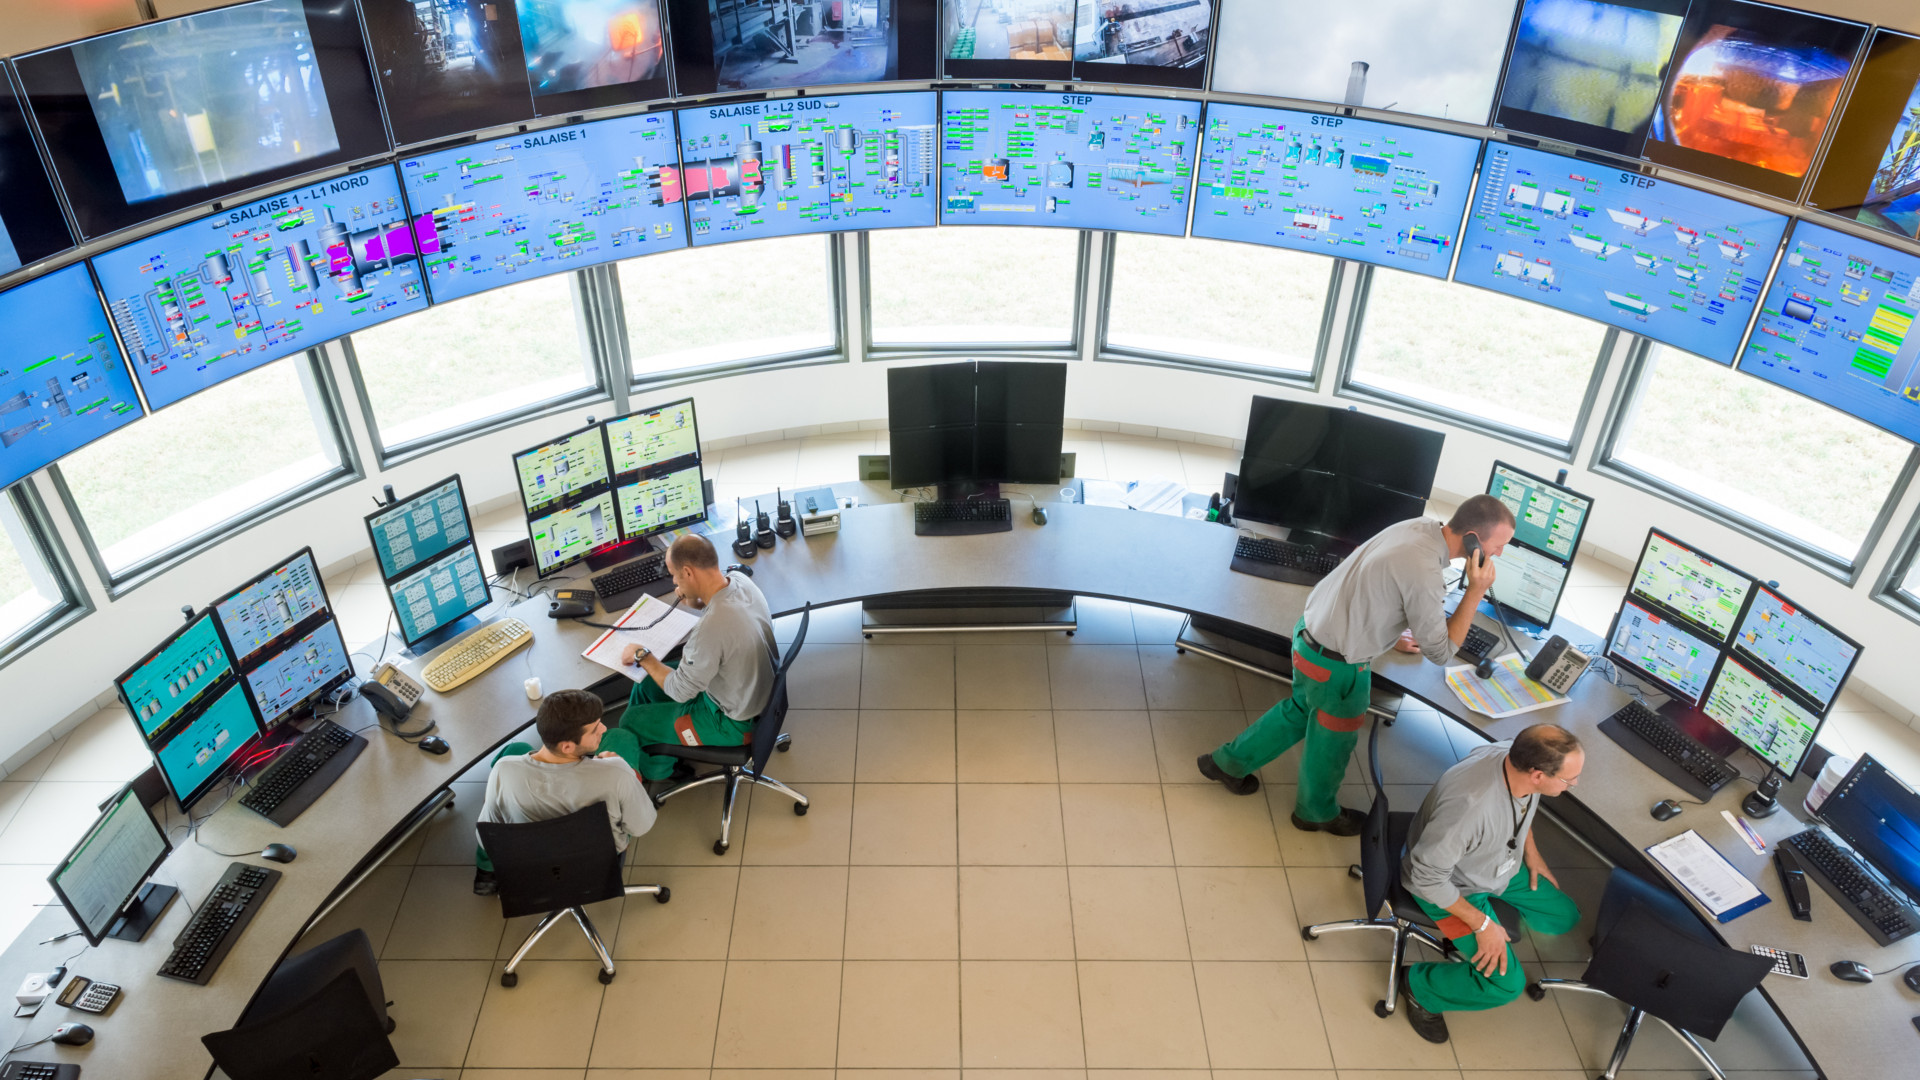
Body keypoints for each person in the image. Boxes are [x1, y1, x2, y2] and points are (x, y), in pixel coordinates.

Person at [1196, 494, 1519, 835]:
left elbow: (1372, 580)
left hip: (1310, 637)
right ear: (1473, 538)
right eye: (1498, 546)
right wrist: (1475, 592)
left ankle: (1225, 764)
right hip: (1339, 666)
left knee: (1299, 710)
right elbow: (1440, 653)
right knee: (1332, 743)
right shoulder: (1424, 570)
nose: (1498, 554)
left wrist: (1387, 628)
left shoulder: (1421, 527)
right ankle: (1315, 813)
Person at [1396, 724, 1585, 1044]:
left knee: (1564, 917)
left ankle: (1485, 937)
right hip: (1452, 887)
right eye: (1569, 779)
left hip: (1498, 863)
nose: (1575, 784)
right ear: (1538, 774)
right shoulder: (1470, 809)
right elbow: (1425, 877)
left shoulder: (1512, 753)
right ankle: (1420, 987)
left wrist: (1531, 851)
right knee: (1505, 986)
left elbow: (1520, 807)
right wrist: (1482, 925)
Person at [618, 533, 776, 783]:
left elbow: (680, 692)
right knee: (645, 685)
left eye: (674, 574)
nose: (674, 581)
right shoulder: (740, 580)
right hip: (750, 690)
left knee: (631, 719)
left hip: (731, 721)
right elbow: (722, 612)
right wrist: (696, 599)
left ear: (688, 573)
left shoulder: (710, 629)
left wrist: (643, 655)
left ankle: (658, 771)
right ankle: (661, 749)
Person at [473, 688, 658, 895]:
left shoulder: (504, 769)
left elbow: (486, 836)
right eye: (595, 729)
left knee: (515, 749)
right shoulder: (615, 773)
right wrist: (622, 768)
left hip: (531, 864)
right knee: (620, 737)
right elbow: (641, 826)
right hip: (597, 863)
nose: (604, 728)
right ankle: (659, 769)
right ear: (568, 747)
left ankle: (486, 876)